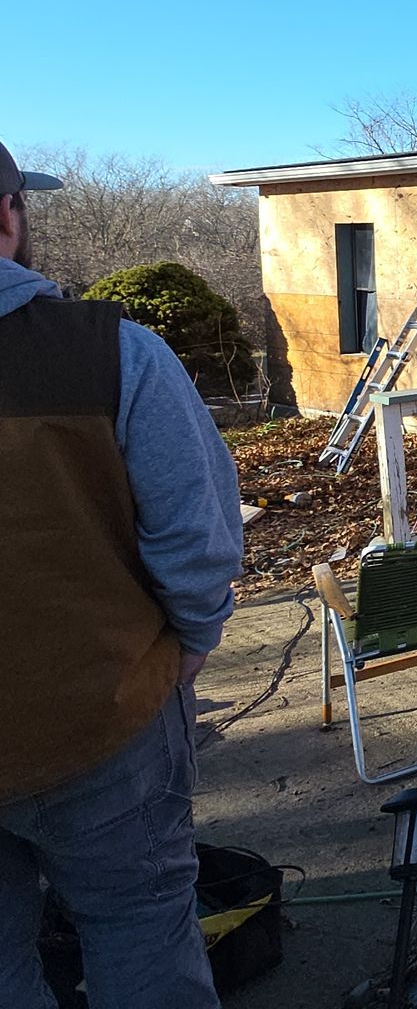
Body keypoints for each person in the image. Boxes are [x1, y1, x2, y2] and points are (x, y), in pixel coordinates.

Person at [0, 142, 245, 1009]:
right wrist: (191, 638)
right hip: (100, 720)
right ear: (8, 215)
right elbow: (197, 535)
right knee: (139, 931)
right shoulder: (114, 354)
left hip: (98, 718)